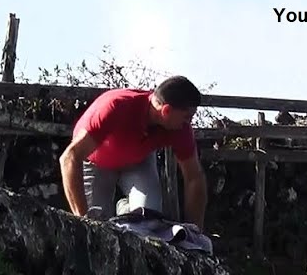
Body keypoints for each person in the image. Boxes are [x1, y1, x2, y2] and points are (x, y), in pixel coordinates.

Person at [59, 76, 208, 230]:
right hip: (97, 162)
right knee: (97, 226)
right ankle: (123, 213)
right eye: (187, 117)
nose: (189, 123)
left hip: (138, 161)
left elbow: (194, 178)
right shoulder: (116, 107)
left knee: (148, 221)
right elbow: (70, 157)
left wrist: (196, 231)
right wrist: (82, 220)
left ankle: (127, 211)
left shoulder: (180, 129)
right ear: (166, 110)